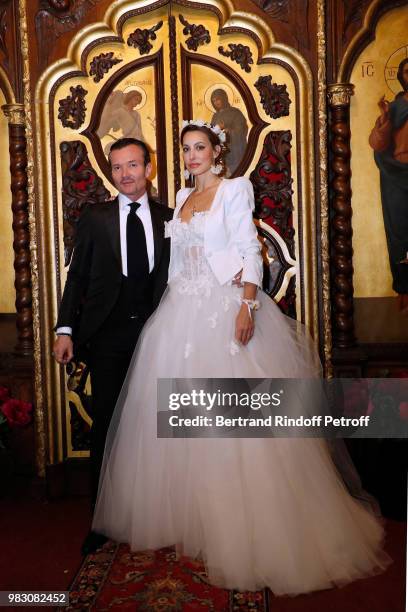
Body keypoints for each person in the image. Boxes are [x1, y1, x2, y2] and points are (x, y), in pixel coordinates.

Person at [93, 121, 390, 594]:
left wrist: (248, 304)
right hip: (179, 312)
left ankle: (248, 524)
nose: (192, 156)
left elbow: (251, 249)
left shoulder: (235, 189)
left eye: (200, 148)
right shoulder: (181, 197)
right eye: (187, 149)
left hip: (225, 308)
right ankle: (197, 518)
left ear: (217, 151)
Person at [53, 137, 173, 552]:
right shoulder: (96, 217)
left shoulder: (171, 218)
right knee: (107, 423)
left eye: (133, 165)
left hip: (160, 332)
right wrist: (64, 329)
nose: (126, 174)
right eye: (118, 167)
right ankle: (101, 519)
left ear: (148, 167)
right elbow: (77, 278)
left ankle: (163, 509)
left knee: (160, 423)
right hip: (108, 336)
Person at [369, 57, 408, 314]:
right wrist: (384, 120)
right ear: (401, 76)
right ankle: (404, 290)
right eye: (407, 71)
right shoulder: (394, 109)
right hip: (397, 176)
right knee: (399, 235)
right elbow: (377, 144)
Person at [211, 88, 248, 176]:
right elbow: (212, 132)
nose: (216, 102)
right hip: (221, 152)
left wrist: (227, 130)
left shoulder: (235, 112)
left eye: (218, 99)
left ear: (224, 98)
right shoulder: (215, 116)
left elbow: (242, 129)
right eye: (214, 101)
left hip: (235, 150)